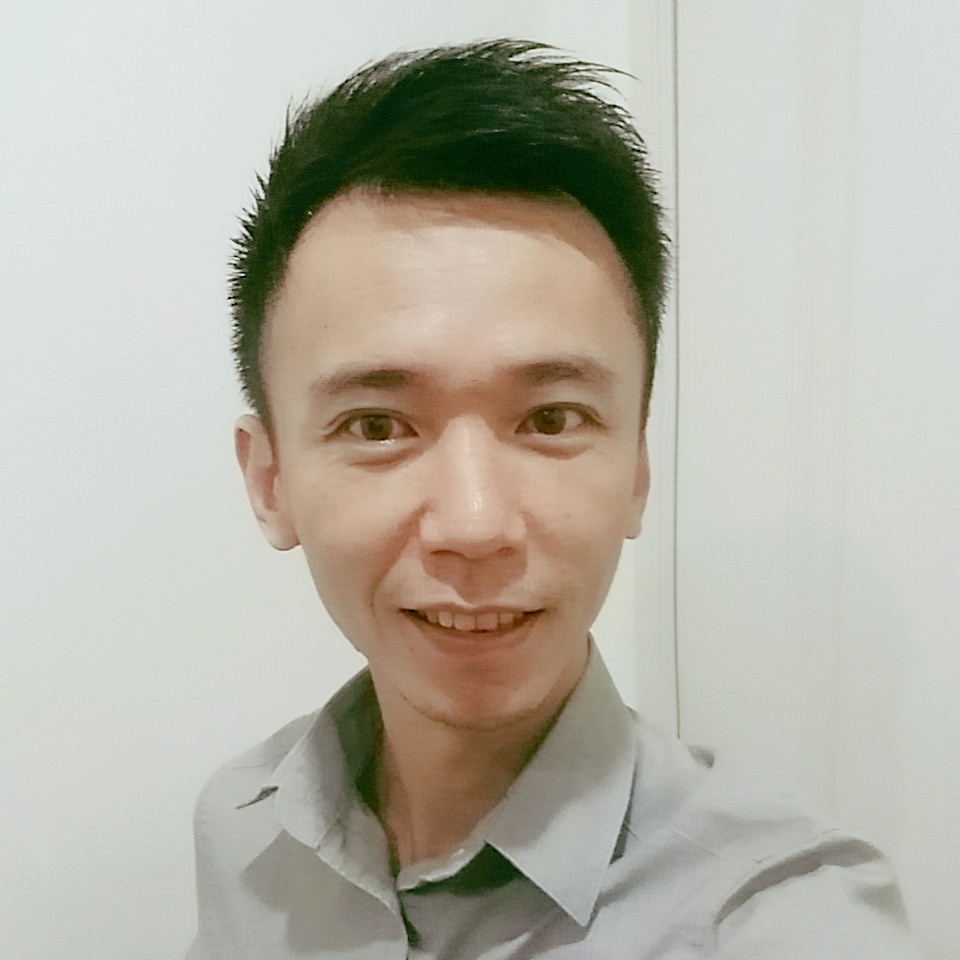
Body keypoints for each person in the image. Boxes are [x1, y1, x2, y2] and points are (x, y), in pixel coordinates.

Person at [186, 39, 918, 958]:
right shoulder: (246, 828)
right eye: (376, 426)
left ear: (638, 470)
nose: (475, 525)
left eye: (551, 419)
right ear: (270, 482)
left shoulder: (776, 920)